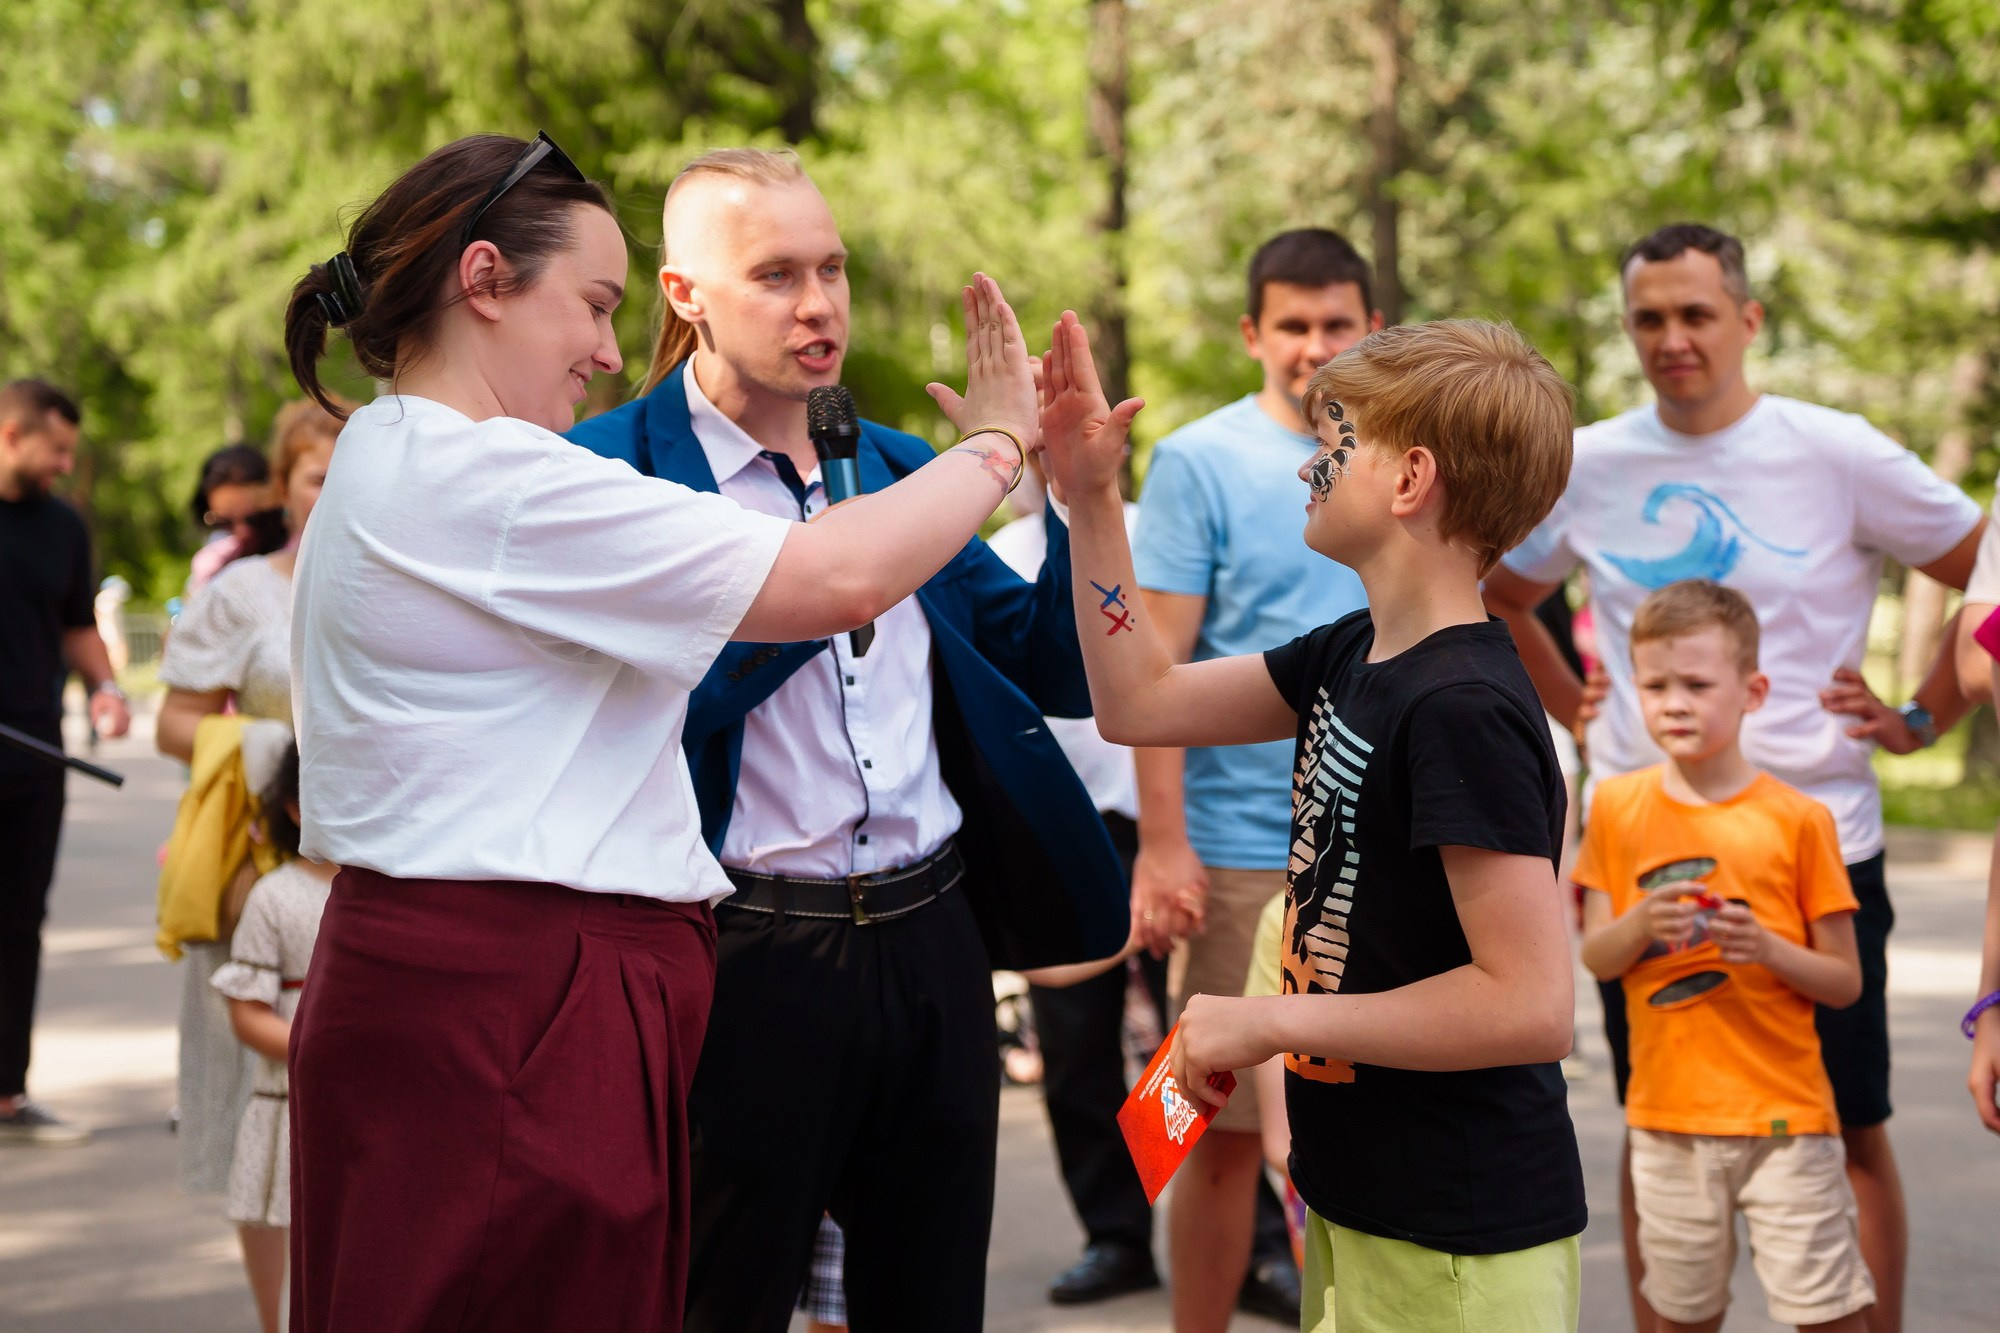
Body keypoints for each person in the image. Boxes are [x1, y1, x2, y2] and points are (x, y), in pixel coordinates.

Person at [279, 131, 1044, 1333]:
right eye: (589, 304)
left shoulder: (399, 458)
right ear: (483, 280)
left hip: (488, 982)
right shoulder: (494, 482)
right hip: (517, 995)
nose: (602, 347)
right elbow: (834, 575)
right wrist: (999, 443)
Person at [564, 147, 1127, 1333]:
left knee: (927, 1302)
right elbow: (644, 714)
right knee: (719, 1300)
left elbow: (1058, 670)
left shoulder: (891, 465)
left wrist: (1080, 500)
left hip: (932, 942)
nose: (817, 304)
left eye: (832, 268)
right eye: (774, 274)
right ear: (683, 296)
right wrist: (839, 569)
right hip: (743, 954)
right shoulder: (608, 472)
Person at [1484, 222, 1984, 1333]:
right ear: (1626, 330)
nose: (1671, 337)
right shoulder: (1589, 460)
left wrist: (1915, 717)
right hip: (1640, 835)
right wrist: (1569, 701)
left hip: (1815, 833)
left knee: (1844, 1122)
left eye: (1694, 313)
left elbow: (1981, 566)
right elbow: (1504, 592)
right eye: (1647, 318)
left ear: (1746, 320)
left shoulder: (1834, 450)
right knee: (1653, 1120)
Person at [1043, 312, 1587, 1331]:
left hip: (1455, 1238)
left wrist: (1269, 1021)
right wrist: (1091, 494)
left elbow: (1527, 1004)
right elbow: (1136, 704)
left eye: (1334, 442)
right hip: (1361, 1207)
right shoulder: (1351, 652)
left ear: (1409, 477)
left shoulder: (1461, 706)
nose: (1308, 468)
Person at [1128, 227, 1380, 1327]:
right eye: (1292, 325)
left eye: (1336, 324)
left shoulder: (1407, 455)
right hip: (1238, 850)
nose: (1314, 347)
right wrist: (1161, 841)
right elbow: (1156, 670)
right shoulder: (1197, 459)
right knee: (1213, 1133)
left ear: (1373, 327)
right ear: (1252, 333)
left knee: (1354, 1124)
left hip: (1379, 849)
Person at [1578, 580, 1874, 1332]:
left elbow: (1844, 981)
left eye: (1697, 684)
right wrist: (1643, 918)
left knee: (1830, 1311)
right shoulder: (1616, 805)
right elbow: (1599, 956)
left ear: (1754, 691)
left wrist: (1766, 946)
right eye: (1654, 684)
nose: (1674, 702)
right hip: (1667, 1121)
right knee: (1679, 1316)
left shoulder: (1801, 820)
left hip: (1788, 1123)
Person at [988, 458, 1171, 1305]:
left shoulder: (1153, 531)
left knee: (1191, 1042)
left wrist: (1176, 839)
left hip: (1165, 827)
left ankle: (1213, 1213)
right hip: (1058, 829)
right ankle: (1117, 1232)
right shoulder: (1002, 549)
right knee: (1074, 1049)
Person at [155, 394, 346, 1199]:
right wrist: (276, 753)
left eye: (351, 476)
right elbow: (174, 722)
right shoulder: (242, 592)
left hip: (390, 856)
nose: (333, 491)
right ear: (283, 483)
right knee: (262, 1087)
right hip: (272, 856)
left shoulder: (425, 575)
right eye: (315, 476)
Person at [0, 379, 131, 1146]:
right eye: (55, 450)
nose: (63, 464)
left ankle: (8, 1092)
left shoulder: (62, 526)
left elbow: (78, 625)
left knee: (20, 924)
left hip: (35, 752)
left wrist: (108, 688)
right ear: (13, 436)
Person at [209, 743, 330, 1333]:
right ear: (296, 811)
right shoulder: (275, 895)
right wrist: (318, 1054)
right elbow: (246, 1010)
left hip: (371, 1097)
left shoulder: (390, 895)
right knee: (272, 1216)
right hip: (288, 1096)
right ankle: (270, 1323)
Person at [185, 444, 282, 596]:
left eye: (254, 519)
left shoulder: (296, 554)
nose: (242, 532)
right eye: (224, 522)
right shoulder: (214, 562)